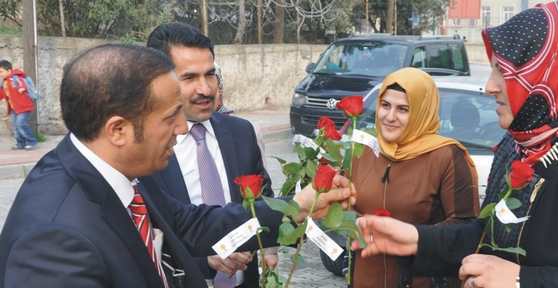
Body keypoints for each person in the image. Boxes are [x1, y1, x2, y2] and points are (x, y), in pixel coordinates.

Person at [354, 0, 558, 287]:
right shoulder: (528, 143)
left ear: (550, 70)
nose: (489, 87)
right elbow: (497, 233)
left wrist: (522, 280)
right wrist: (417, 240)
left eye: (503, 72)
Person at [0, 44, 353, 288]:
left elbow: (193, 226)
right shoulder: (54, 242)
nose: (183, 128)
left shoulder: (121, 174)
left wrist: (299, 207)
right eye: (171, 118)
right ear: (118, 129)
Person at [145, 22, 275, 288]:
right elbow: (147, 238)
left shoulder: (241, 133)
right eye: (189, 78)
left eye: (210, 74)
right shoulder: (145, 150)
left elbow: (262, 200)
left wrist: (258, 244)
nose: (205, 89)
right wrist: (205, 261)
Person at [351, 67, 479, 288]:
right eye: (385, 105)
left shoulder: (447, 156)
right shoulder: (364, 150)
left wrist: (417, 237)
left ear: (422, 112)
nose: (390, 117)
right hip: (366, 277)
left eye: (403, 109)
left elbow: (465, 231)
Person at [0, 60, 37, 150]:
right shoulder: (4, 82)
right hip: (14, 109)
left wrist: (22, 88)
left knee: (21, 124)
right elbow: (2, 94)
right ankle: (20, 143)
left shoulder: (16, 77)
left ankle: (31, 141)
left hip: (24, 107)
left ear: (9, 71)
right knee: (15, 126)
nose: (0, 74)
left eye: (1, 72)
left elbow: (23, 83)